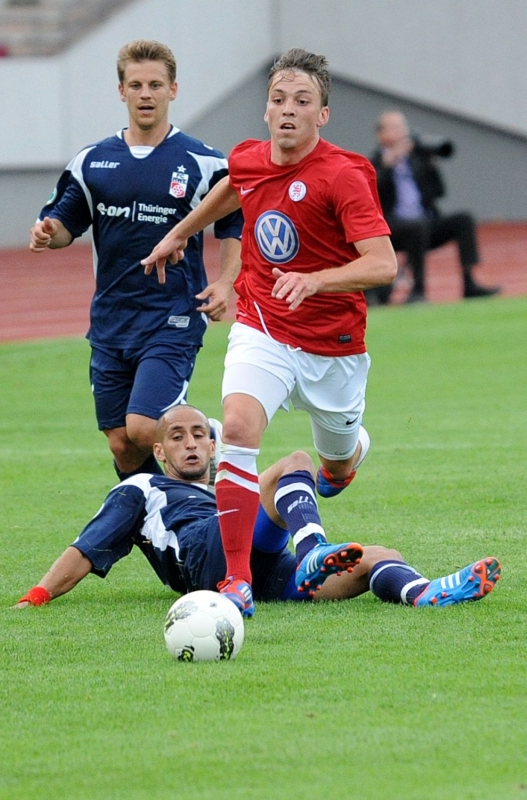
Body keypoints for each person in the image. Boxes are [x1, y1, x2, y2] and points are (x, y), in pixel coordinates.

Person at [140, 48, 398, 615]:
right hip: (264, 325)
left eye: (302, 101)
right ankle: (236, 579)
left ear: (322, 114)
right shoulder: (249, 158)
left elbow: (383, 264)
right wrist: (180, 233)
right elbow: (235, 186)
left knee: (336, 464)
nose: (288, 110)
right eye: (279, 99)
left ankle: (348, 454)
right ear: (266, 109)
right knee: (236, 427)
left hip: (333, 347)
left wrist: (317, 280)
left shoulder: (345, 174)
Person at [14, 405, 501, 612]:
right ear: (159, 451)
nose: (190, 444)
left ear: (213, 447)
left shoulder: (220, 487)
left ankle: (427, 593)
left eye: (199, 435)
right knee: (295, 462)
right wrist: (37, 596)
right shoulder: (142, 487)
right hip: (207, 556)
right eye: (177, 437)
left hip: (258, 574)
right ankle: (314, 549)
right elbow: (86, 548)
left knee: (378, 555)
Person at [29, 39, 242, 482]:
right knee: (122, 444)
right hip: (111, 318)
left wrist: (225, 282)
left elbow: (234, 224)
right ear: (121, 91)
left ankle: (207, 434)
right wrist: (49, 233)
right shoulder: (92, 161)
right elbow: (65, 224)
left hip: (172, 315)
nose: (146, 94)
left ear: (173, 90)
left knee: (145, 427)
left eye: (156, 85)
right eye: (137, 85)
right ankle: (162, 511)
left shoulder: (204, 162)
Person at [369, 110, 500, 304]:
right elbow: (373, 192)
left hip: (425, 222)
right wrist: (390, 164)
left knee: (463, 220)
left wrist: (431, 166)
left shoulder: (417, 159)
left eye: (403, 127)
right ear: (381, 134)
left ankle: (469, 283)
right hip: (392, 228)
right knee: (416, 226)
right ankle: (418, 291)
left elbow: (439, 192)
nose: (402, 132)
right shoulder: (375, 161)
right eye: (395, 128)